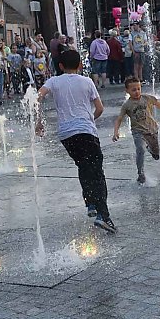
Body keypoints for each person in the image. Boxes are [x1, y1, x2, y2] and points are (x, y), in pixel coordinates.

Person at [36, 49, 116, 234]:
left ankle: (91, 204)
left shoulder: (53, 81)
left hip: (66, 135)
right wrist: (89, 120)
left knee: (83, 166)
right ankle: (103, 216)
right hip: (87, 132)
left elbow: (37, 97)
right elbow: (100, 108)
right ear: (80, 65)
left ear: (61, 66)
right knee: (97, 172)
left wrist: (39, 121)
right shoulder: (87, 81)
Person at [112, 77, 160, 184]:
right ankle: (140, 173)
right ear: (127, 91)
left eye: (138, 88)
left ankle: (150, 148)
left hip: (152, 129)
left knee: (156, 155)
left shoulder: (147, 98)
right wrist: (116, 132)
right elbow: (119, 119)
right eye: (133, 90)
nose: (137, 91)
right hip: (138, 131)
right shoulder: (127, 105)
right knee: (140, 150)